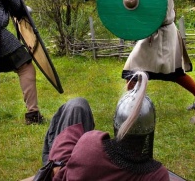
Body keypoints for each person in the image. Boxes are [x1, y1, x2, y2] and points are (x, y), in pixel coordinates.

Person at [28, 71, 171, 181]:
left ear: (116, 122)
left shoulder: (91, 146)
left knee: (76, 106)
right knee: (77, 106)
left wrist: (57, 167)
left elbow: (62, 173)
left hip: (63, 170)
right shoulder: (157, 175)